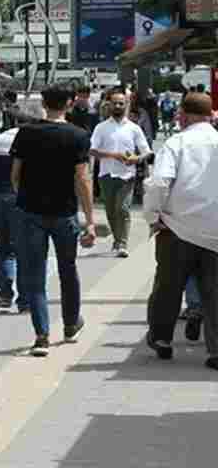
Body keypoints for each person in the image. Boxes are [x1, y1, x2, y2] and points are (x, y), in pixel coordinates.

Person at [10, 83, 96, 357]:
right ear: (70, 103)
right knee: (67, 269)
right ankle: (71, 325)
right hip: (65, 212)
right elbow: (82, 178)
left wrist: (23, 197)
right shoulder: (79, 135)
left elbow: (15, 174)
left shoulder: (26, 133)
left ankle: (41, 336)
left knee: (34, 275)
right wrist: (90, 219)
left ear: (43, 104)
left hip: (30, 212)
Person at [142, 92, 218, 369]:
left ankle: (161, 338)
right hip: (215, 232)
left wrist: (153, 216)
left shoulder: (177, 142)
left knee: (167, 287)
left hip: (178, 229)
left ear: (183, 115)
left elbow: (160, 182)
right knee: (215, 292)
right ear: (211, 114)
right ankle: (215, 351)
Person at [0, 102, 40, 313]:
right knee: (24, 250)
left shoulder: (1, 137)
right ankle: (24, 300)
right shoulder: (33, 139)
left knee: (6, 249)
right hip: (18, 200)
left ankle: (5, 294)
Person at [89, 87, 152, 257]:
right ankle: (117, 241)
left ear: (127, 105)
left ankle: (122, 244)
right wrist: (113, 155)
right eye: (115, 103)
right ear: (109, 105)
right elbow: (92, 150)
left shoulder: (134, 128)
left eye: (121, 103)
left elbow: (147, 151)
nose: (118, 106)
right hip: (106, 175)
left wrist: (136, 159)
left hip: (127, 176)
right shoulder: (101, 128)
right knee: (110, 210)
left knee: (122, 208)